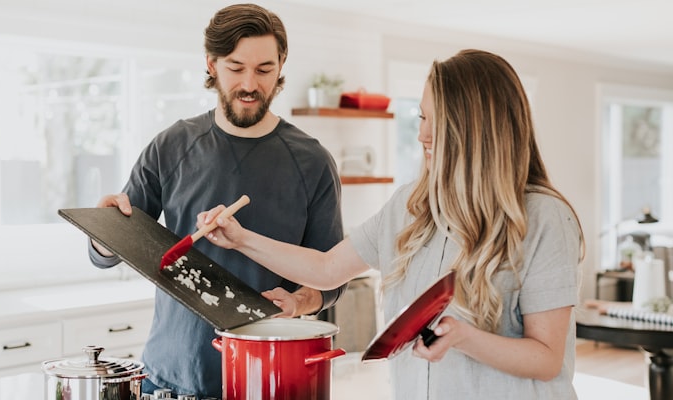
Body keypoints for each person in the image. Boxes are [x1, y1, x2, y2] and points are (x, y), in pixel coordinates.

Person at [201, 49, 585, 399]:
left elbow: (547, 358)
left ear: (478, 129)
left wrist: (464, 338)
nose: (422, 135)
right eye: (421, 117)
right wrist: (240, 238)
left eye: (438, 121)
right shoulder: (410, 206)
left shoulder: (545, 218)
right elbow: (327, 268)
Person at [87, 3, 345, 398]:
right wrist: (103, 233)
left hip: (268, 380)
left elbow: (332, 278)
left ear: (281, 66)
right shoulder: (171, 145)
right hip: (169, 380)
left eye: (264, 70)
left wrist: (298, 301)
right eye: (236, 68)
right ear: (211, 64)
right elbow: (112, 248)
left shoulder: (312, 162)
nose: (249, 84)